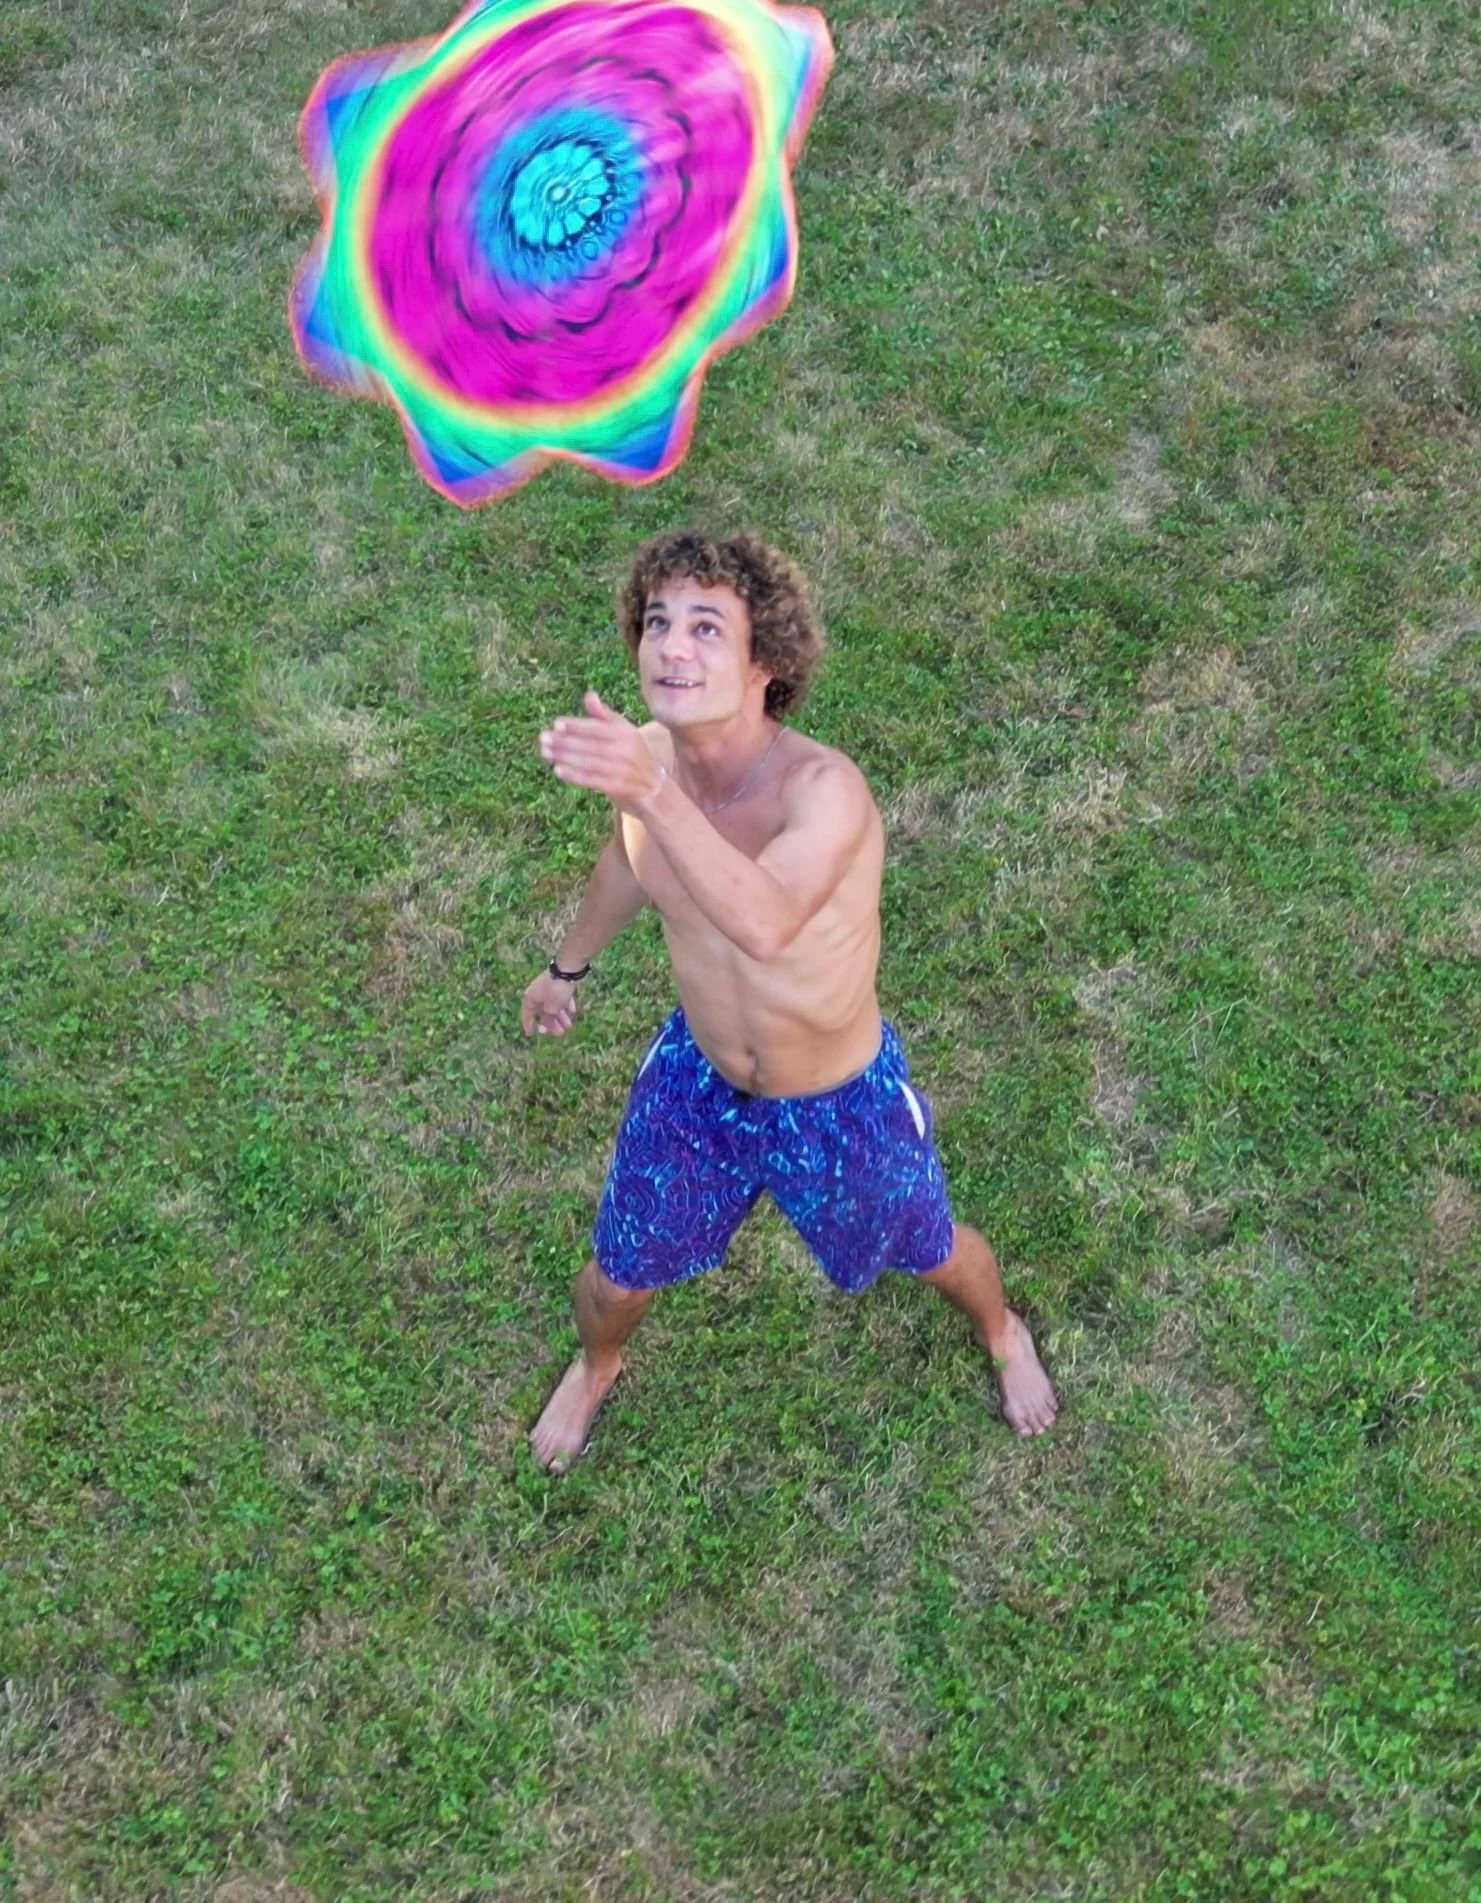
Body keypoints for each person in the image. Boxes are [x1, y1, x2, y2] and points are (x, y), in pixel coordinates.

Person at [522, 530, 1058, 1470]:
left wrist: (652, 790)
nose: (670, 646)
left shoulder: (825, 790)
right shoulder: (653, 765)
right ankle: (598, 1364)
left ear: (765, 661)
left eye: (704, 627)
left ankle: (1001, 1330)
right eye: (656, 622)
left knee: (928, 1243)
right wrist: (567, 968)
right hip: (699, 1083)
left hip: (838, 1100)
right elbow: (631, 863)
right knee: (616, 1273)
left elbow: (765, 921)